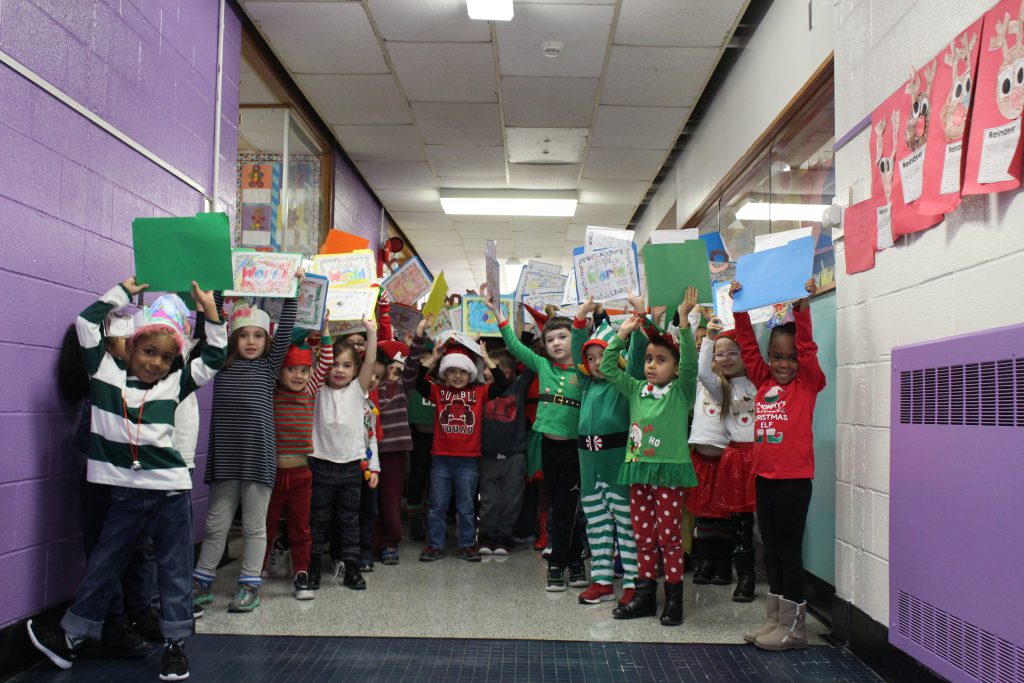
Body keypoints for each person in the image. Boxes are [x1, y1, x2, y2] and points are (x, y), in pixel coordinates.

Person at [28, 278, 226, 682]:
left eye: (166, 358)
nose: (155, 363)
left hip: (170, 495)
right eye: (149, 351)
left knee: (172, 570)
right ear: (131, 346)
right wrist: (122, 291)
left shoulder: (174, 384)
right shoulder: (104, 375)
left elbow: (216, 356)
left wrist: (210, 312)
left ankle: (175, 648)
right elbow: (86, 324)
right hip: (125, 497)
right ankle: (71, 638)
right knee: (103, 565)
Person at [192, 279, 300, 615]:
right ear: (231, 339)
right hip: (225, 460)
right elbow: (209, 325)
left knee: (255, 525)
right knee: (215, 524)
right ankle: (202, 582)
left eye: (257, 335)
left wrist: (292, 290)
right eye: (243, 335)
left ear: (266, 340)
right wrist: (220, 285)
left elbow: (287, 328)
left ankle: (249, 584)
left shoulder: (269, 368)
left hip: (258, 459)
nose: (250, 342)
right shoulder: (219, 365)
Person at [732, 279, 825, 651]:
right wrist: (738, 305)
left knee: (788, 552)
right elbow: (747, 348)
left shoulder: (808, 384)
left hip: (793, 481)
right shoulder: (762, 379)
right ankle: (774, 619)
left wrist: (802, 310)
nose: (783, 363)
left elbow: (808, 347)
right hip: (764, 478)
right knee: (769, 550)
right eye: (777, 356)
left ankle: (795, 627)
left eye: (790, 358)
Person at [601, 287, 700, 626]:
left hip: (669, 473)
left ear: (674, 367)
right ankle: (645, 596)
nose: (653, 366)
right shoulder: (635, 388)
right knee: (643, 538)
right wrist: (624, 333)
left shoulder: (681, 392)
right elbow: (608, 368)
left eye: (661, 360)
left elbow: (691, 365)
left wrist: (683, 322)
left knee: (669, 539)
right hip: (639, 472)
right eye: (648, 359)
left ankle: (674, 600)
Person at [488, 292, 586, 592]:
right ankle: (571, 559)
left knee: (571, 509)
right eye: (550, 339)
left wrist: (581, 317)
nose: (555, 343)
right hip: (548, 447)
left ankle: (561, 564)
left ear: (574, 339)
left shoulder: (585, 373)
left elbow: (584, 341)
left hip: (575, 450)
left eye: (562, 337)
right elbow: (515, 347)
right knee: (558, 505)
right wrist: (499, 315)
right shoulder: (542, 367)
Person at [570, 295, 646, 613]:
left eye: (603, 356)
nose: (596, 363)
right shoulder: (587, 387)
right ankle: (601, 581)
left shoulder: (624, 385)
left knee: (626, 526)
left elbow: (638, 353)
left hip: (616, 465)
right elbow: (577, 349)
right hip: (589, 467)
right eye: (591, 358)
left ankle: (632, 584)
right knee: (597, 524)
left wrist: (637, 318)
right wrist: (580, 319)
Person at [415, 333, 509, 562]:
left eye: (462, 371)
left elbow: (503, 383)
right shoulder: (438, 391)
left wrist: (485, 358)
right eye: (452, 371)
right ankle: (435, 545)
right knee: (437, 505)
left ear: (471, 373)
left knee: (466, 507)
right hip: (441, 459)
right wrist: (435, 358)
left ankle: (467, 544)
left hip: (468, 461)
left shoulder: (478, 393)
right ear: (444, 374)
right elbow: (417, 381)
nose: (457, 376)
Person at [687, 317, 758, 602]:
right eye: (720, 353)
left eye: (732, 352)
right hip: (736, 458)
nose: (725, 359)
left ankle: (750, 576)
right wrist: (708, 340)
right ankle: (743, 579)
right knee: (736, 518)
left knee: (748, 523)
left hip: (760, 457)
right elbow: (704, 373)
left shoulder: (758, 383)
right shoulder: (721, 387)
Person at [262, 321, 333, 600]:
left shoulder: (310, 390)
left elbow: (325, 361)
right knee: (264, 524)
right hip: (272, 474)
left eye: (304, 370)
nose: (299, 376)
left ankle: (301, 573)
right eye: (292, 369)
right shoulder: (272, 390)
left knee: (301, 527)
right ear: (279, 371)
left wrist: (325, 329)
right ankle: (257, 566)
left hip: (302, 474)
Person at [308, 319, 379, 590]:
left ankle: (352, 567)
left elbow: (371, 362)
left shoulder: (357, 390)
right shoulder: (316, 390)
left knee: (350, 520)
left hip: (351, 466)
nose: (339, 370)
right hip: (320, 464)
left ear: (355, 371)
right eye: (334, 364)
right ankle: (313, 566)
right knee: (318, 520)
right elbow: (321, 360)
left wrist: (371, 332)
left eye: (347, 365)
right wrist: (323, 330)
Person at [374, 324, 427, 565]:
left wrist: (418, 337)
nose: (394, 374)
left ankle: (390, 542)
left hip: (394, 452)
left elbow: (413, 364)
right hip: (370, 451)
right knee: (371, 501)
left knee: (391, 498)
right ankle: (373, 542)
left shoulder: (402, 388)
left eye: (399, 370)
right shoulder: (369, 388)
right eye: (390, 369)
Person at [478, 348, 533, 556]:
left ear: (507, 373)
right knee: (489, 499)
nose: (484, 372)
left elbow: (528, 367)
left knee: (511, 499)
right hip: (488, 454)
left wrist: (524, 338)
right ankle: (485, 535)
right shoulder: (482, 390)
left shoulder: (518, 389)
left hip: (514, 455)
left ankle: (503, 536)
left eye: (489, 367)